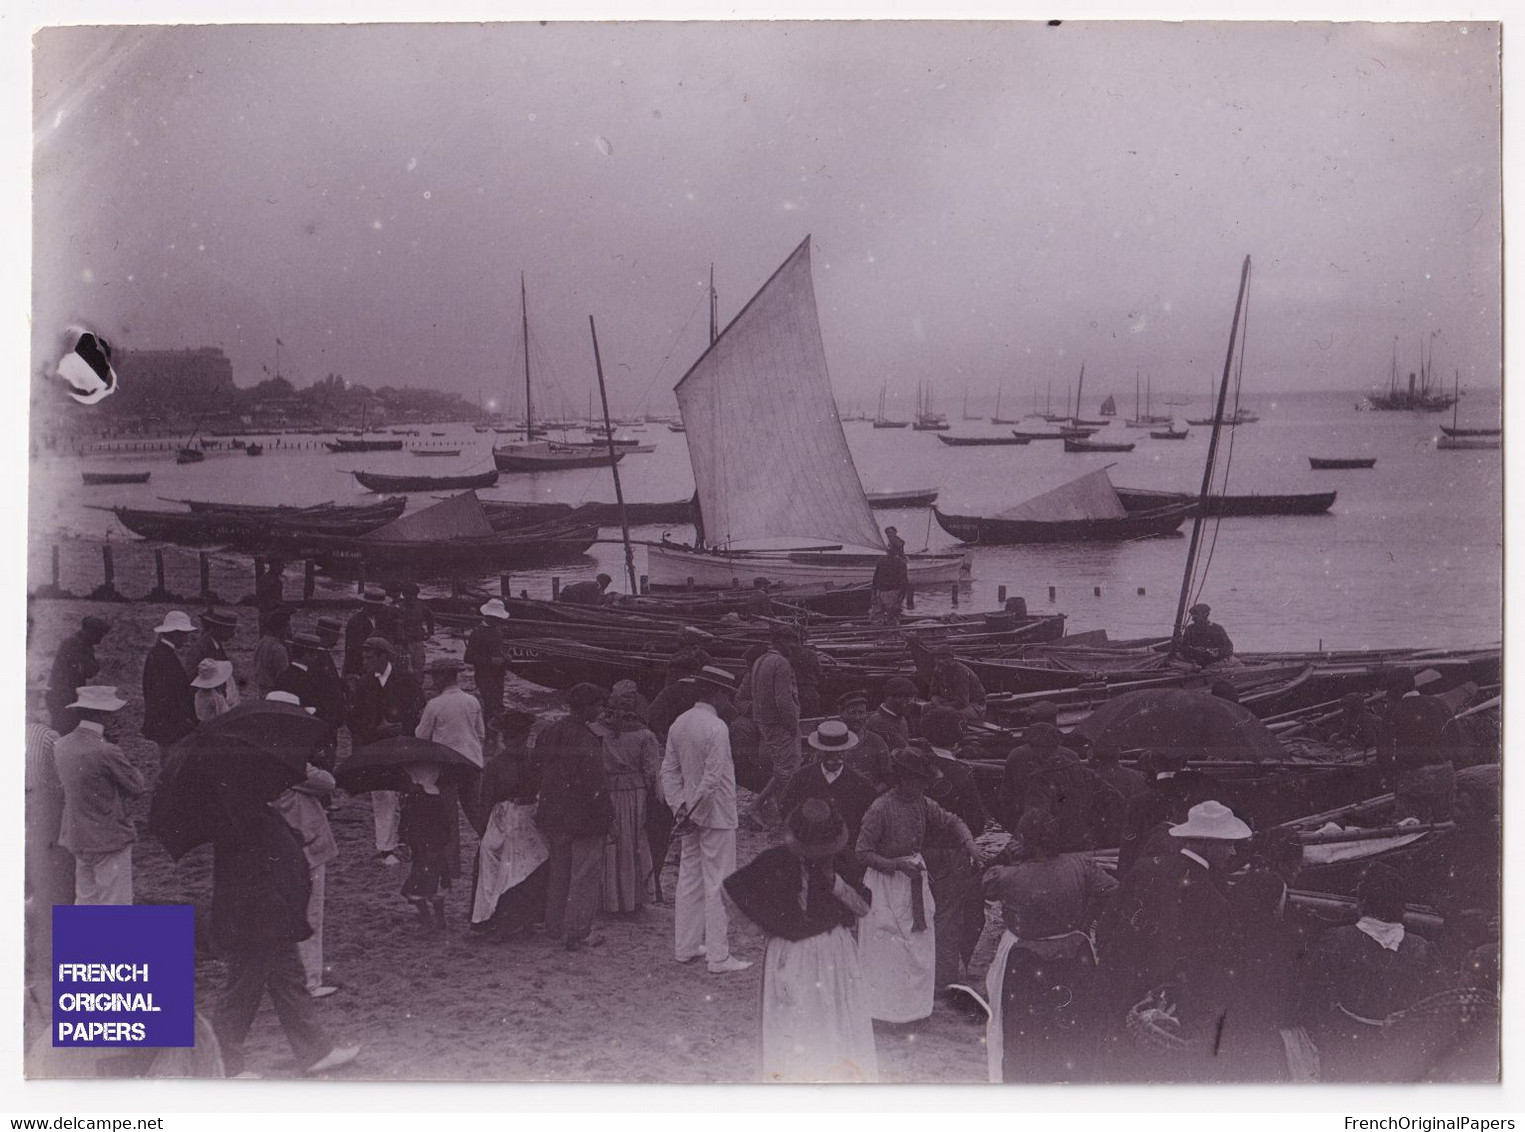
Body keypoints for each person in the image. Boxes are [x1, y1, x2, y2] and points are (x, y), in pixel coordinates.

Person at [723, 799, 879, 1083]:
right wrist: (764, 928)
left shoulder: (841, 862)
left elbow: (864, 908)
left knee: (832, 1021)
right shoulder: (775, 860)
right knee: (795, 1022)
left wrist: (834, 883)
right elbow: (731, 891)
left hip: (833, 952)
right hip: (791, 952)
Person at [1097, 799, 1251, 1081]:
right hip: (1175, 1014)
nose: (1233, 851)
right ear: (1207, 843)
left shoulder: (1145, 870)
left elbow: (1107, 927)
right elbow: (1211, 970)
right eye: (1228, 843)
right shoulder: (1213, 899)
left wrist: (1120, 983)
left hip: (1129, 997)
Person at [209, 794, 359, 1078]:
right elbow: (257, 863)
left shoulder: (247, 808)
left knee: (288, 979)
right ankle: (224, 1064)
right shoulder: (244, 812)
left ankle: (315, 1051)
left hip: (263, 913)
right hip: (257, 916)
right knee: (243, 987)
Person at [983, 810, 1118, 1083]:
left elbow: (984, 884)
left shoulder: (1009, 875)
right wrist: (1087, 917)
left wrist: (1005, 855)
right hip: (1074, 954)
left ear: (1023, 840)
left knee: (1025, 1033)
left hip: (1027, 960)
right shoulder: (1081, 866)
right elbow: (1114, 890)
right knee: (1071, 1028)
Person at [855, 747, 980, 1024]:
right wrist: (896, 865)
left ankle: (913, 1009)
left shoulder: (921, 803)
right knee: (888, 948)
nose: (924, 786)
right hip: (886, 884)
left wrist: (969, 844)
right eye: (919, 781)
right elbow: (862, 852)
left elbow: (952, 821)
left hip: (914, 880)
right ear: (902, 779)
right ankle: (883, 1011)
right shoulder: (880, 808)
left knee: (917, 946)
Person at [1304, 863, 1446, 1082]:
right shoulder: (1423, 949)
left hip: (1345, 1053)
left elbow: (1314, 1000)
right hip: (1401, 1056)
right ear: (1402, 908)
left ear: (1361, 904)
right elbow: (1436, 1010)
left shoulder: (1336, 940)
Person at [660, 666, 752, 973]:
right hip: (716, 816)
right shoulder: (717, 727)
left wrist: (680, 809)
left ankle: (685, 947)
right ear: (717, 693)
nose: (730, 702)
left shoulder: (680, 723)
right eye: (728, 695)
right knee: (718, 882)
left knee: (689, 879)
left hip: (690, 814)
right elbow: (713, 779)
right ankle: (719, 956)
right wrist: (694, 813)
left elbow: (668, 772)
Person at [916, 716, 991, 1002]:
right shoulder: (961, 772)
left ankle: (915, 970)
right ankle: (943, 977)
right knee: (948, 914)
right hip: (951, 851)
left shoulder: (917, 766)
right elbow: (976, 818)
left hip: (917, 850)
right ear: (956, 740)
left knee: (918, 910)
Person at [535, 683, 614, 952]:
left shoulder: (548, 732)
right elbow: (595, 788)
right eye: (598, 705)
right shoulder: (588, 740)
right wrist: (607, 820)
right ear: (588, 707)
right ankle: (578, 933)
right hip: (583, 821)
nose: (601, 710)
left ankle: (554, 926)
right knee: (584, 876)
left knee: (559, 872)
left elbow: (538, 768)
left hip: (552, 814)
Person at [54, 686, 144, 905]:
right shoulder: (106, 751)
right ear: (101, 714)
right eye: (111, 713)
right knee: (114, 902)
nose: (115, 718)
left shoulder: (61, 745)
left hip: (77, 835)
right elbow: (136, 786)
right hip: (109, 837)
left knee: (85, 899)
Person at [468, 712, 549, 942]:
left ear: (525, 737)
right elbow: (486, 799)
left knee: (531, 865)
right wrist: (484, 829)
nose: (514, 742)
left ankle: (526, 920)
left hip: (528, 815)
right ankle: (500, 923)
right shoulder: (496, 764)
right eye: (510, 738)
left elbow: (543, 787)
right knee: (500, 866)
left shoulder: (534, 759)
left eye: (519, 737)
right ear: (504, 738)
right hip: (503, 817)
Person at [268, 743, 340, 998]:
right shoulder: (291, 762)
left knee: (283, 913)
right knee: (311, 914)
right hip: (307, 846)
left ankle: (290, 976)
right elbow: (328, 782)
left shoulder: (256, 762)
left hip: (276, 848)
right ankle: (310, 979)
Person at [346, 637, 426, 867]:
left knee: (410, 791)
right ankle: (385, 847)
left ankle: (408, 840)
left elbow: (420, 708)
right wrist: (374, 730)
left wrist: (405, 726)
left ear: (384, 657)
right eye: (364, 657)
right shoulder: (363, 684)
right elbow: (353, 719)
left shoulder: (406, 679)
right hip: (377, 747)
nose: (365, 662)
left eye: (370, 657)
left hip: (404, 744)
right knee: (382, 795)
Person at [594, 689, 661, 914]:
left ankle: (607, 899)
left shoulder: (597, 730)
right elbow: (652, 773)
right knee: (633, 844)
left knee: (609, 844)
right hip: (634, 793)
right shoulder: (644, 735)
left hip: (606, 790)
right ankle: (631, 899)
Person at [742, 625, 802, 831]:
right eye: (791, 641)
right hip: (780, 725)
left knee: (781, 769)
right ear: (779, 641)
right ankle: (784, 819)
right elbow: (784, 700)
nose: (794, 646)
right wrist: (792, 725)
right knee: (788, 772)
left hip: (765, 723)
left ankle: (757, 807)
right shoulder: (781, 663)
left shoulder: (761, 661)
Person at [780, 720, 879, 844]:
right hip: (809, 846)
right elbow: (786, 808)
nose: (834, 757)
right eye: (828, 752)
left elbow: (869, 821)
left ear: (846, 750)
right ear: (819, 750)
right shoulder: (801, 777)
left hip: (847, 849)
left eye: (839, 751)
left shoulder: (861, 784)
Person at [398, 762, 453, 928]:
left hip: (421, 848)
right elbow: (446, 826)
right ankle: (439, 918)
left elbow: (406, 822)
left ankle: (426, 917)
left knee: (417, 884)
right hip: (436, 848)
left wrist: (404, 840)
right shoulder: (438, 798)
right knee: (436, 883)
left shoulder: (413, 798)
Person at [141, 610, 197, 762]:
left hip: (166, 724)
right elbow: (169, 696)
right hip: (170, 726)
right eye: (184, 634)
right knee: (171, 763)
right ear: (175, 633)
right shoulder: (165, 657)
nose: (186, 639)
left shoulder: (159, 653)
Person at [46, 615, 109, 732]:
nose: (100, 640)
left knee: (66, 730)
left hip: (66, 695)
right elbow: (90, 670)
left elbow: (89, 670)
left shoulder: (83, 644)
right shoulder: (74, 644)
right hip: (61, 696)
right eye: (99, 635)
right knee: (64, 731)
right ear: (90, 632)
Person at [834, 689, 893, 791]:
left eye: (861, 712)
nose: (857, 717)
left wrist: (872, 793)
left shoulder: (876, 742)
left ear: (867, 714)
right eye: (852, 712)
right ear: (841, 715)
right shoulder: (832, 742)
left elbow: (888, 778)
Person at [465, 599, 512, 721]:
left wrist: (506, 657)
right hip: (484, 675)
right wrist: (491, 660)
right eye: (496, 618)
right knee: (490, 705)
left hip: (498, 674)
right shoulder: (477, 633)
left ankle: (494, 730)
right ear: (488, 616)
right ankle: (489, 733)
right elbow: (468, 657)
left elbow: (500, 649)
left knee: (498, 702)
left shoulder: (497, 630)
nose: (499, 621)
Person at [186, 609, 241, 709]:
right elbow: (191, 681)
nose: (232, 634)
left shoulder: (215, 645)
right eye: (229, 629)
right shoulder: (200, 649)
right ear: (218, 628)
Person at [928, 648, 987, 721]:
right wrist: (936, 700)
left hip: (974, 705)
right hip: (949, 702)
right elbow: (933, 693)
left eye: (944, 658)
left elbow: (962, 702)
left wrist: (942, 707)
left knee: (952, 716)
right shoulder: (938, 670)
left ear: (952, 659)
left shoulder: (961, 672)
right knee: (926, 709)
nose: (941, 661)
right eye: (938, 658)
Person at [342, 591, 387, 677]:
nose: (380, 608)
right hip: (358, 666)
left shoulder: (380, 620)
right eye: (376, 606)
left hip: (374, 666)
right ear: (366, 605)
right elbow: (354, 649)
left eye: (380, 606)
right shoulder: (356, 622)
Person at [865, 676, 917, 752]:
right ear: (889, 698)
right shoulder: (878, 722)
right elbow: (902, 751)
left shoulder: (900, 717)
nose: (910, 702)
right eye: (905, 698)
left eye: (912, 698)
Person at [253, 608, 292, 700]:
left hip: (260, 690)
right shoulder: (278, 649)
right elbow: (283, 677)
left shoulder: (262, 642)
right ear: (282, 627)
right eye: (287, 626)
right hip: (274, 693)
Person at [397, 582, 435, 675]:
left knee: (419, 665)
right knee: (405, 667)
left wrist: (430, 631)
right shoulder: (399, 607)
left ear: (416, 595)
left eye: (413, 595)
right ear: (404, 595)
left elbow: (430, 616)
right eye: (408, 595)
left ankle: (418, 684)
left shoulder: (421, 605)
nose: (411, 598)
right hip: (404, 642)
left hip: (418, 640)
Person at [870, 545, 909, 625]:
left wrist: (874, 593)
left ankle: (880, 632)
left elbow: (875, 578)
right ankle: (891, 633)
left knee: (879, 617)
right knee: (892, 617)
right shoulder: (900, 563)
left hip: (882, 592)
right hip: (890, 592)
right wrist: (900, 598)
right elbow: (904, 583)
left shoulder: (882, 561)